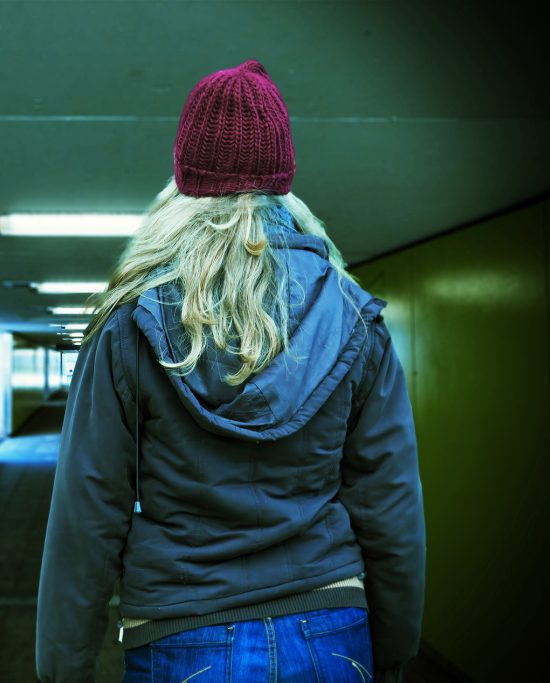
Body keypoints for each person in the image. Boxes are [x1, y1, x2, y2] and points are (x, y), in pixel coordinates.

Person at [35, 59, 425, 683]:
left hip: (181, 636)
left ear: (184, 180)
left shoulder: (130, 322)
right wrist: (394, 646)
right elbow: (390, 503)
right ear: (284, 181)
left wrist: (63, 666)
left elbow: (89, 509)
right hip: (330, 630)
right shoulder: (353, 317)